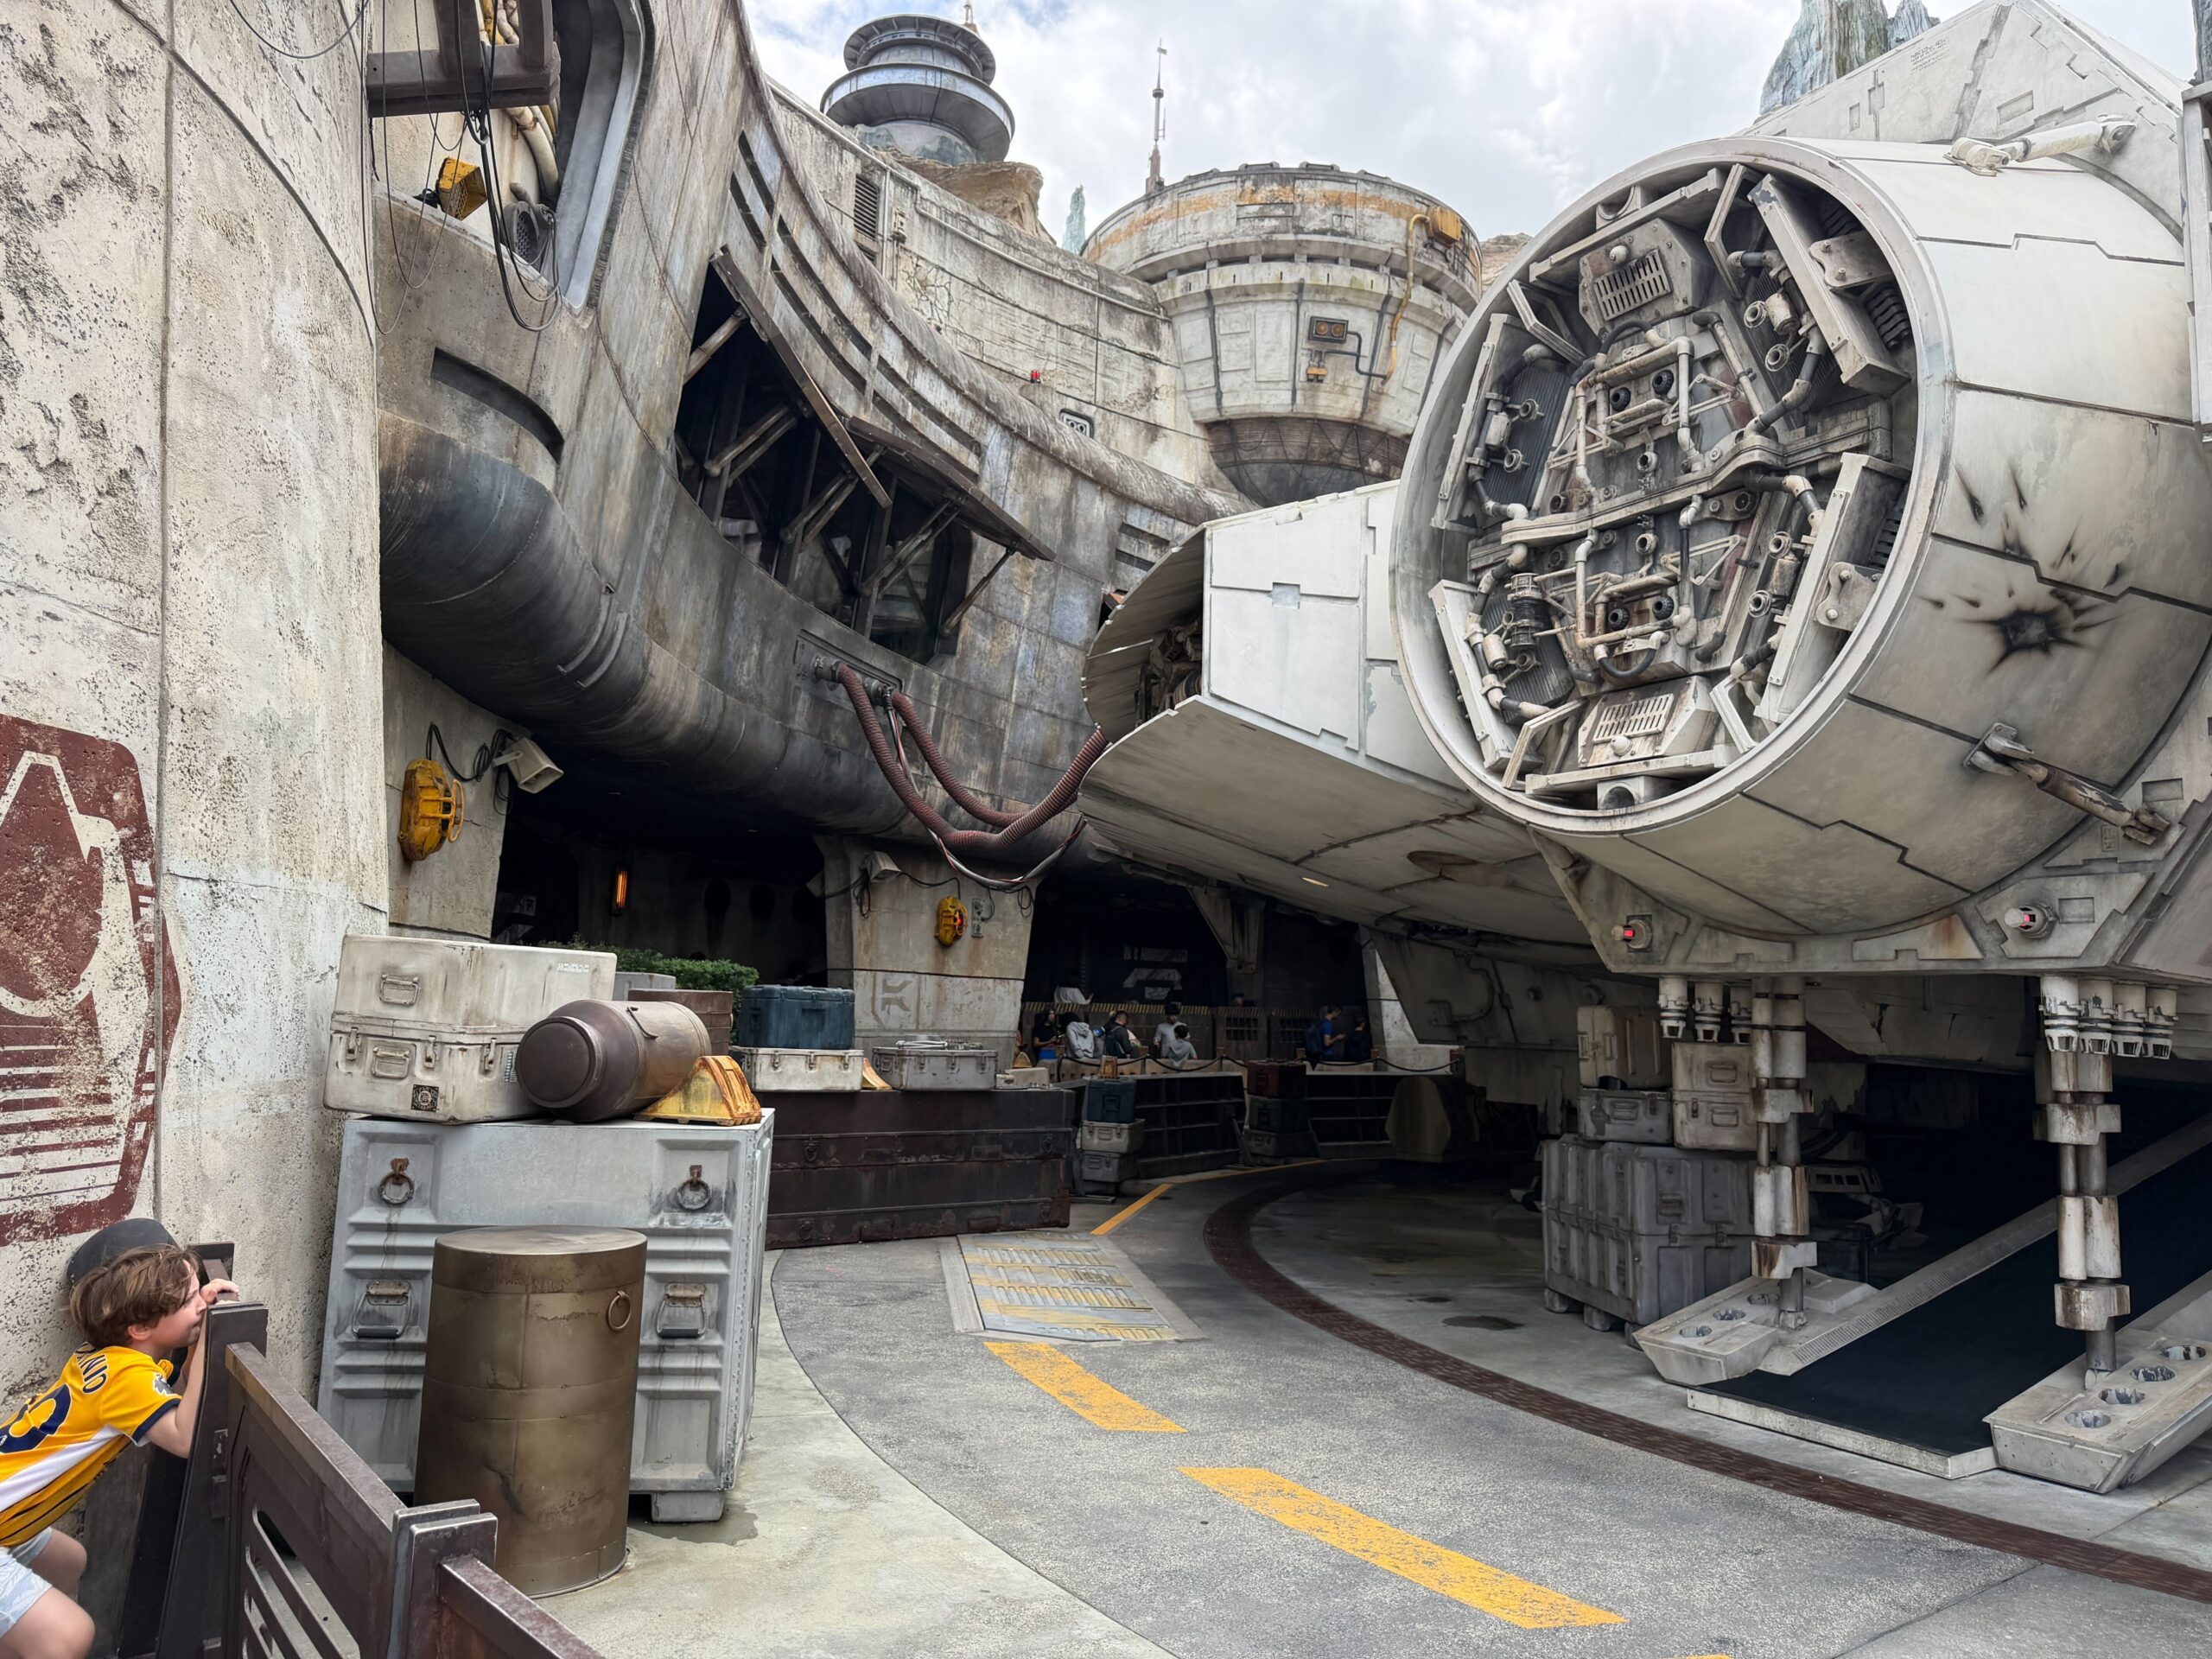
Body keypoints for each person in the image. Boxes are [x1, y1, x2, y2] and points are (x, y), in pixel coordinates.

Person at [2, 1221, 240, 1659]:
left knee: (68, 1562)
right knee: (71, 1635)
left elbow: (178, 1394)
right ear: (140, 1328)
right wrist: (212, 1335)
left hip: (9, 1524)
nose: (201, 1306)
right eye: (190, 1301)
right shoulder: (127, 1379)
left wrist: (197, 1331)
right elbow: (185, 1436)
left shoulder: (111, 1359)